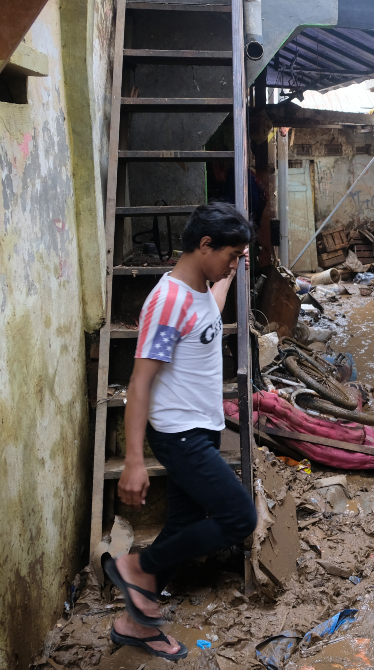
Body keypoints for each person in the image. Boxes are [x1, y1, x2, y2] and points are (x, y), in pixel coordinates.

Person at [103, 203, 257, 661]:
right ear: (204, 245)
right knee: (238, 518)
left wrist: (229, 274)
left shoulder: (198, 293)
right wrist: (134, 460)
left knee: (184, 525)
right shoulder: (168, 302)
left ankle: (135, 625)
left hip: (202, 428)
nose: (234, 263)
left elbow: (210, 314)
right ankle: (136, 567)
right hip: (179, 434)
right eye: (231, 255)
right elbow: (140, 382)